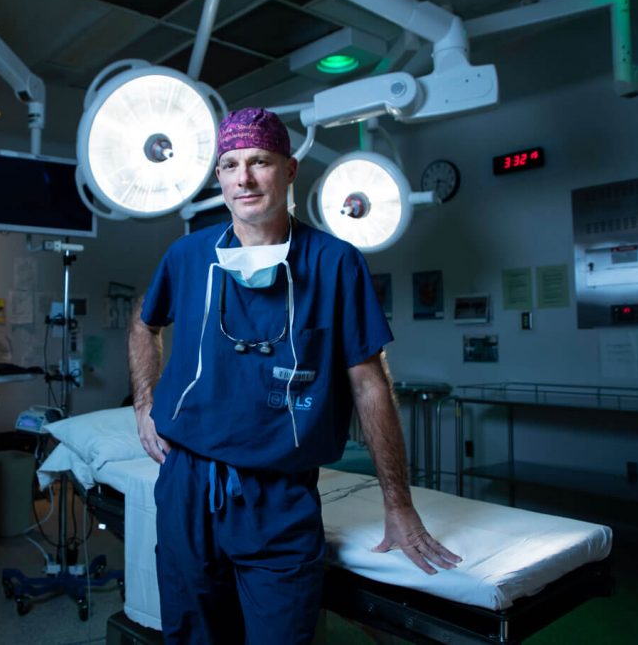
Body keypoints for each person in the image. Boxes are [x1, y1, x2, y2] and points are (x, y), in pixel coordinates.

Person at [127, 108, 460, 644]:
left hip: (278, 496)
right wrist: (144, 403)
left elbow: (369, 382)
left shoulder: (334, 263)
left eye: (260, 161)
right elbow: (144, 324)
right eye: (231, 165)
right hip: (187, 485)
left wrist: (398, 505)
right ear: (219, 177)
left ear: (289, 170)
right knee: (191, 636)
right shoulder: (188, 257)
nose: (245, 178)